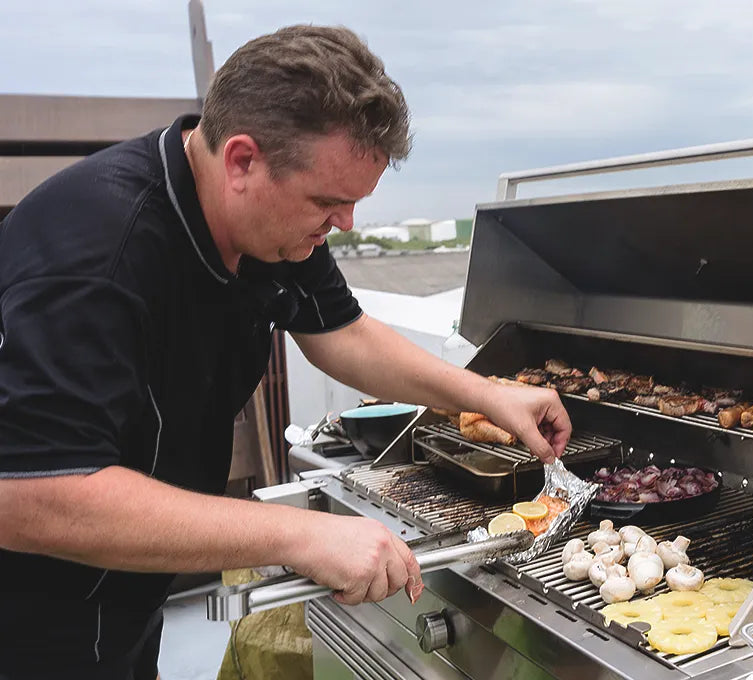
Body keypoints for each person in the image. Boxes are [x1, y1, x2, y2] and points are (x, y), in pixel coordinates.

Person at [0, 24, 571, 680]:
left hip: (127, 597)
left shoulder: (275, 226)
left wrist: (489, 395)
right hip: (29, 617)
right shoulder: (97, 255)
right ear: (242, 160)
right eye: (329, 203)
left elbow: (344, 334)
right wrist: (299, 534)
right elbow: (31, 495)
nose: (346, 225)